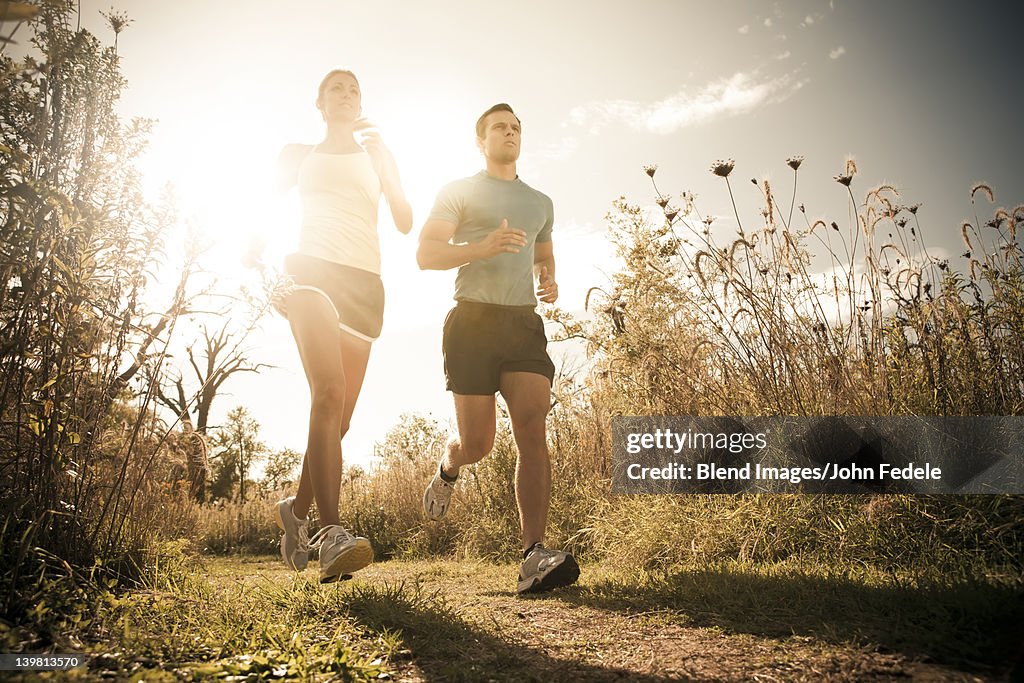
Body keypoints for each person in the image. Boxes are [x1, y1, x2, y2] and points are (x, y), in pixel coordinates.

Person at [416, 103, 579, 594]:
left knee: (532, 425)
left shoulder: (540, 202)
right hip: (471, 322)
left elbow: (543, 255)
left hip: (522, 324)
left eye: (515, 128)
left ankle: (533, 554)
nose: (509, 133)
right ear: (480, 140)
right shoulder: (459, 192)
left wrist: (548, 280)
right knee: (478, 445)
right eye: (499, 128)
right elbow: (426, 253)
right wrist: (481, 248)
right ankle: (449, 464)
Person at [268, 69, 412, 583]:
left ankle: (296, 511)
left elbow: (403, 220)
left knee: (341, 419)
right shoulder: (297, 154)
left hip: (364, 286)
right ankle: (331, 534)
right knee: (327, 393)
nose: (347, 94)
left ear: (361, 102)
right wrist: (252, 251)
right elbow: (262, 204)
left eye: (354, 88)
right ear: (320, 102)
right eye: (337, 88)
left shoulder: (378, 155)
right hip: (309, 273)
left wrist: (390, 173)